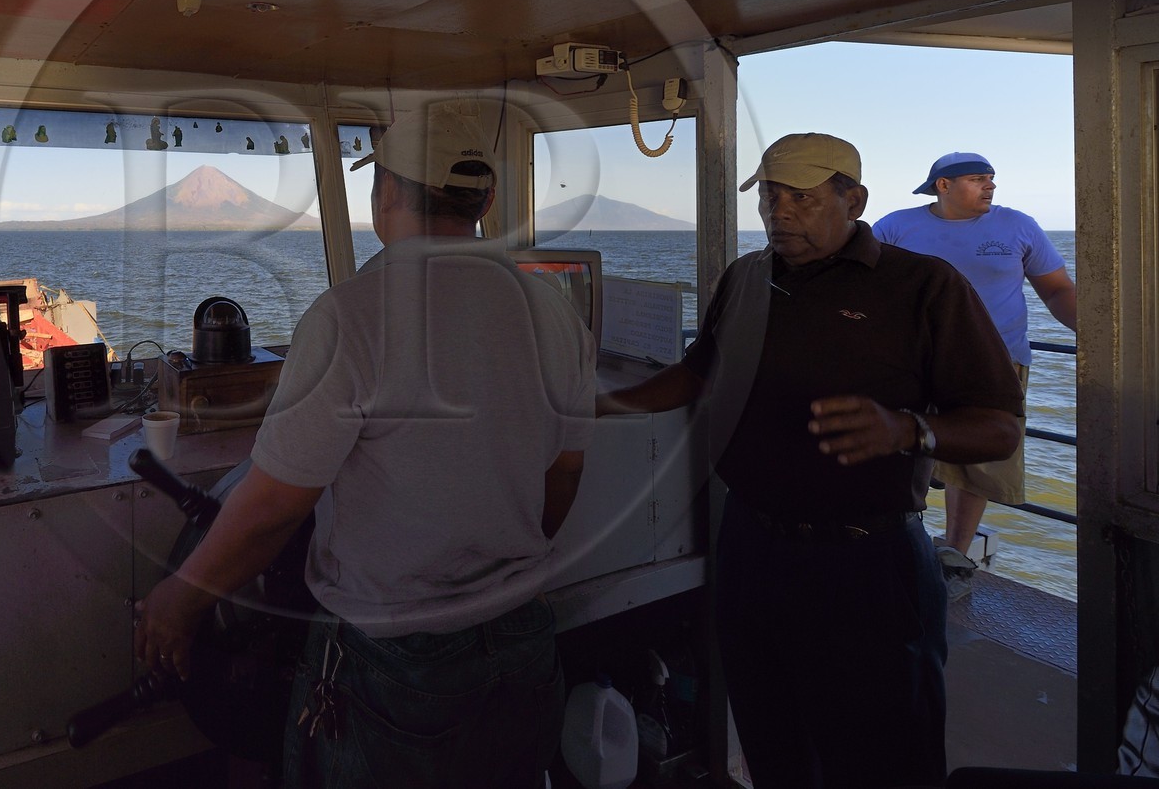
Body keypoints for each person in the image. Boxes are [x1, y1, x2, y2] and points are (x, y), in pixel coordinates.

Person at [134, 102, 596, 789]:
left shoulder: (350, 316)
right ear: (487, 200)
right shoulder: (553, 314)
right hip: (526, 647)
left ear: (385, 194)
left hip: (399, 671)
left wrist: (180, 598)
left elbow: (273, 511)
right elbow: (562, 479)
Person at [599, 132, 1023, 789]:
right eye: (770, 196)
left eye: (802, 196)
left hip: (866, 561)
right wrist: (592, 407)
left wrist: (907, 429)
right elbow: (695, 376)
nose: (781, 213)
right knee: (772, 740)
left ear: (854, 199)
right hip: (750, 545)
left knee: (882, 755)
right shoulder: (744, 278)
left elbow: (999, 427)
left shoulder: (923, 287)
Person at [873, 152, 1077, 599]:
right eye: (976, 179)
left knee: (978, 462)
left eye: (991, 179)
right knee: (903, 450)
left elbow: (1058, 290)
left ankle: (956, 556)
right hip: (911, 363)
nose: (990, 186)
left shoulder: (1018, 226)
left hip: (998, 363)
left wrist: (1100, 336)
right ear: (942, 186)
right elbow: (865, 288)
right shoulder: (895, 226)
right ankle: (898, 538)